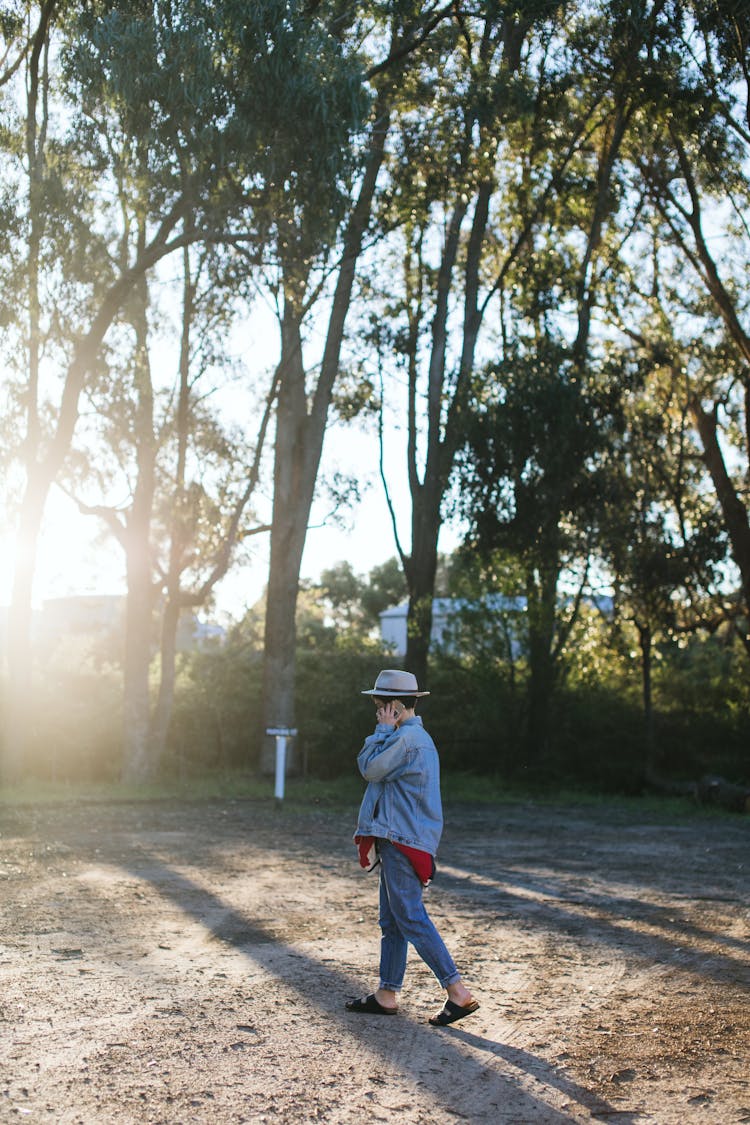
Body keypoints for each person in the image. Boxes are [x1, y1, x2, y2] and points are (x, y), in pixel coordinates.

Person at [345, 668, 479, 1027]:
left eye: (379, 704)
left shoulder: (405, 740)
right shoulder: (403, 737)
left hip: (403, 839)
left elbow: (369, 769)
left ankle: (458, 993)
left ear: (395, 707)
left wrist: (381, 731)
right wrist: (386, 731)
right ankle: (387, 994)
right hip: (397, 837)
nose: (376, 710)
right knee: (392, 921)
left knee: (409, 916)